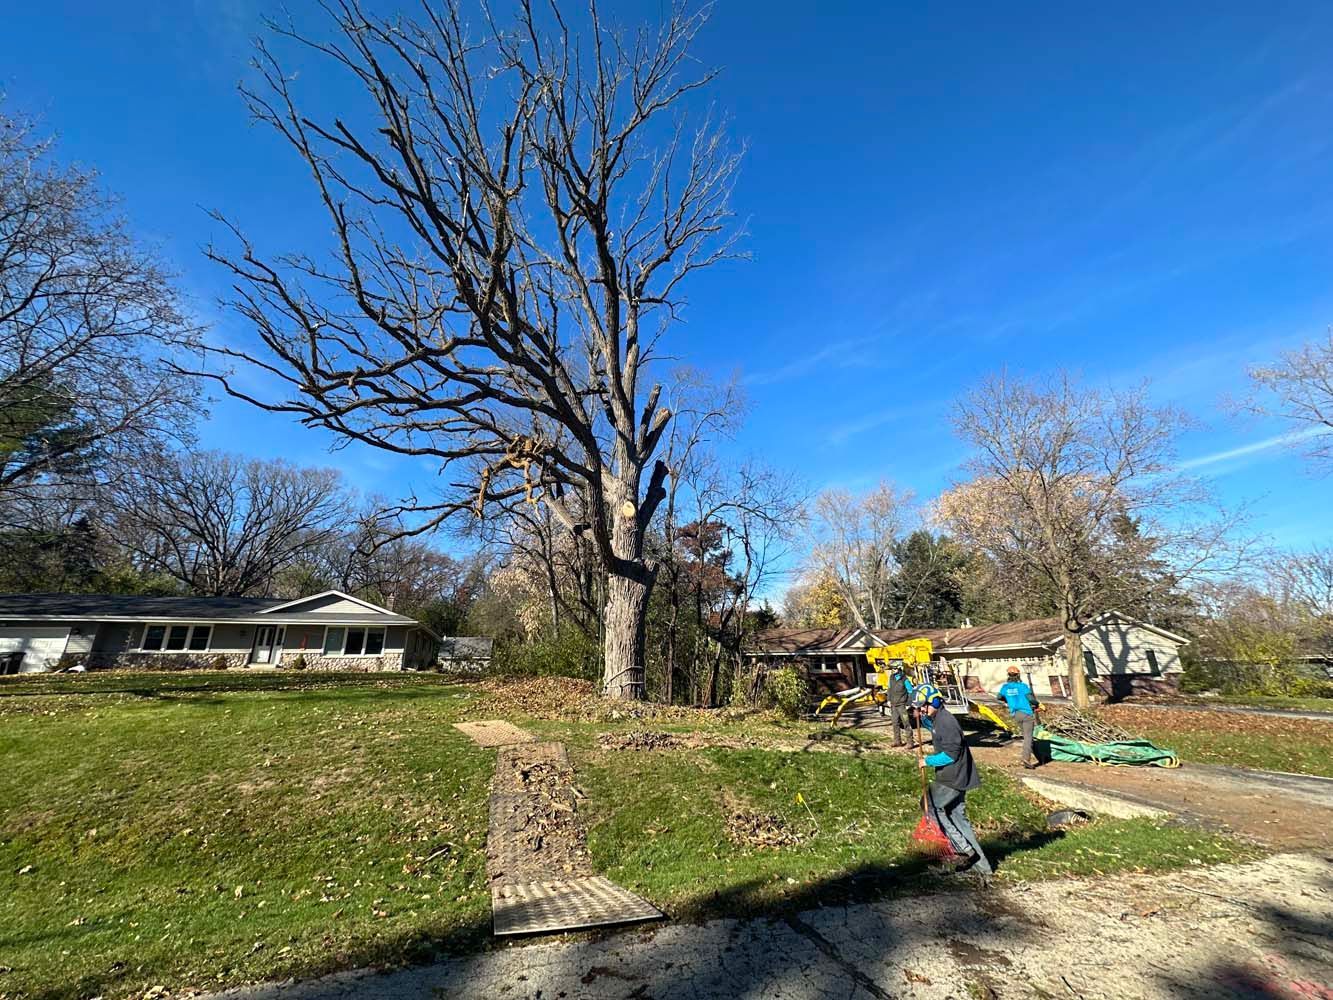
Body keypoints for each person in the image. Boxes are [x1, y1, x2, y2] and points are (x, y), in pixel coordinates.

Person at [915, 684, 993, 876]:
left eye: (924, 706)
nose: (922, 710)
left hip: (953, 777)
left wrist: (928, 760)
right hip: (955, 775)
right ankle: (983, 869)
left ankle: (962, 851)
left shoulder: (947, 722)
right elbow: (935, 730)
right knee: (958, 818)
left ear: (935, 700)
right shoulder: (937, 718)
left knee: (930, 805)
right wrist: (921, 719)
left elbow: (951, 754)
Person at [997, 666, 1040, 769]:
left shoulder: (1005, 687)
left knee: (1026, 736)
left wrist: (1007, 699)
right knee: (1028, 737)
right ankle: (1026, 758)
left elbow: (999, 697)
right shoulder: (1023, 686)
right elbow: (1031, 699)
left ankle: (1037, 755)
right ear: (1018, 675)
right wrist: (1037, 704)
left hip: (1015, 714)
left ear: (1008, 676)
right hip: (1026, 713)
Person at [886, 662, 913, 747]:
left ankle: (910, 742)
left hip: (902, 705)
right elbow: (889, 689)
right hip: (893, 705)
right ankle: (897, 741)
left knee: (906, 723)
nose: (893, 670)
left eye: (894, 669)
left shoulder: (905, 679)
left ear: (899, 669)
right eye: (892, 669)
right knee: (895, 723)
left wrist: (908, 703)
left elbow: (910, 691)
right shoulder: (891, 678)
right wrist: (888, 700)